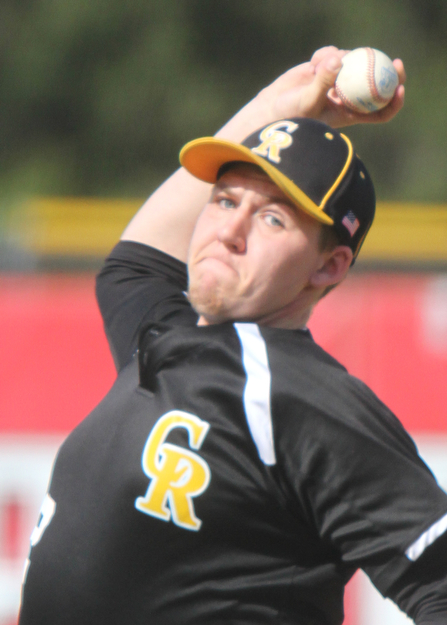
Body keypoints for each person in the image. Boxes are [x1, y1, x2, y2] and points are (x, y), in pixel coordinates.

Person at [18, 47, 447, 625]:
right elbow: (135, 266)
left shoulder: (302, 399)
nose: (229, 230)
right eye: (224, 200)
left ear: (329, 267)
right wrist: (289, 104)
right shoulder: (164, 347)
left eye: (272, 218)